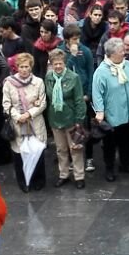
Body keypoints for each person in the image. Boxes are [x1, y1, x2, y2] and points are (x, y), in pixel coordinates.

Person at [92, 38, 129, 181]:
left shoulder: (128, 65)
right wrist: (100, 112)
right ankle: (109, 168)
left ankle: (126, 164)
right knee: (110, 144)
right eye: (121, 51)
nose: (124, 52)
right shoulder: (101, 72)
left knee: (127, 141)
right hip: (112, 115)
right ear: (111, 54)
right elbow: (97, 94)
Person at [2, 51, 48, 192]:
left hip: (35, 123)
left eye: (26, 66)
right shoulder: (9, 83)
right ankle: (23, 181)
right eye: (21, 67)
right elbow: (6, 104)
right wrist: (17, 116)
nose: (24, 69)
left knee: (37, 151)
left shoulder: (38, 82)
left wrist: (28, 114)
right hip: (18, 124)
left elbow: (43, 103)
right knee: (19, 153)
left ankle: (39, 179)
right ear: (17, 67)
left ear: (31, 67)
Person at [43, 48, 87, 190]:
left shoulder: (73, 77)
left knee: (75, 149)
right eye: (55, 64)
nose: (57, 66)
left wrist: (79, 120)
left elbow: (79, 100)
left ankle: (79, 176)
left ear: (65, 63)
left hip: (71, 118)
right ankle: (63, 174)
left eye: (60, 63)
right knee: (60, 149)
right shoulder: (48, 77)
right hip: (55, 118)